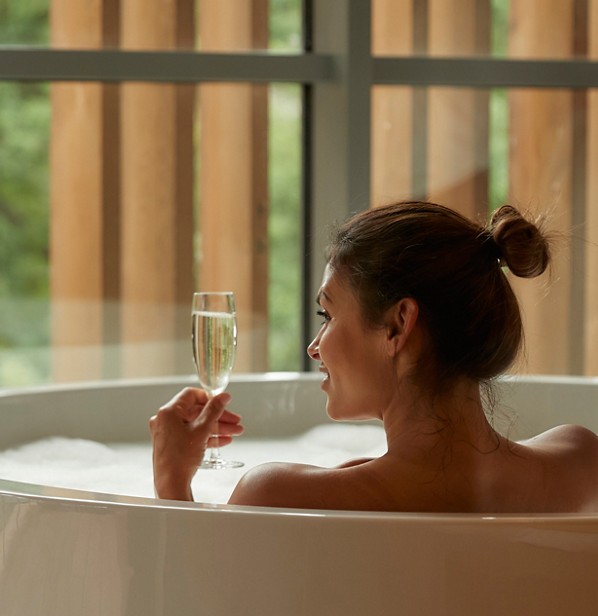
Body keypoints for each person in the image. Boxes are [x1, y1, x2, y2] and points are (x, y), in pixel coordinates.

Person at [150, 200, 598, 513]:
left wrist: (172, 482)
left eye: (327, 314)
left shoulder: (278, 496)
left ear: (398, 325)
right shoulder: (581, 463)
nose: (314, 346)